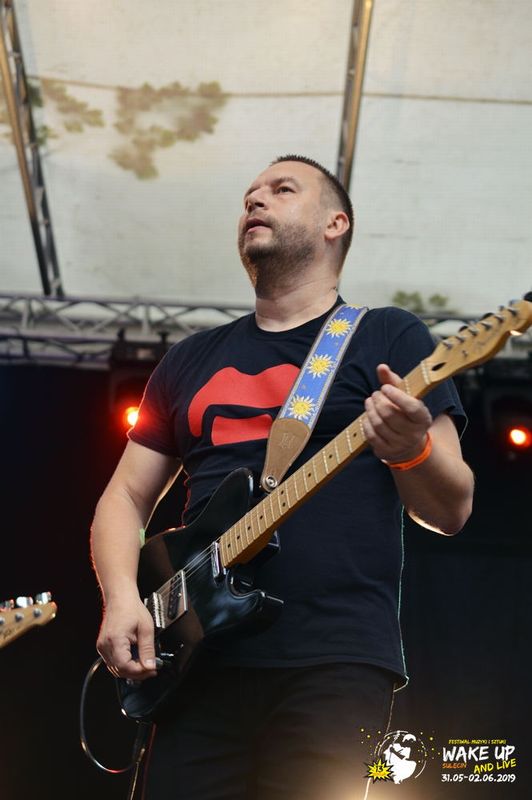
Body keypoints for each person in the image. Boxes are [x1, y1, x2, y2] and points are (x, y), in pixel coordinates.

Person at [91, 155, 474, 800]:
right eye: (249, 194)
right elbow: (125, 496)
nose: (255, 200)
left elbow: (451, 508)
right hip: (196, 661)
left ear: (335, 223)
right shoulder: (189, 359)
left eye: (281, 189)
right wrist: (122, 598)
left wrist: (411, 450)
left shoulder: (386, 335)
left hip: (334, 658)